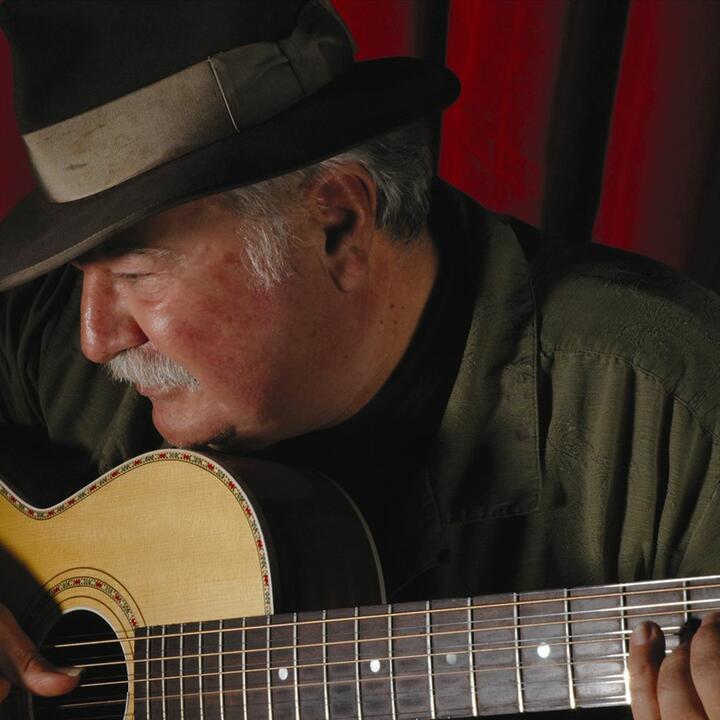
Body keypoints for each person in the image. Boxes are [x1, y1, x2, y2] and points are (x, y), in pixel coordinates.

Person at [0, 1, 719, 719]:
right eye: (80, 274)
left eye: (136, 275)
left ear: (336, 225)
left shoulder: (677, 410)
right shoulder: (43, 343)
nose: (95, 337)